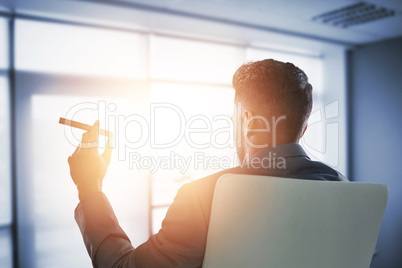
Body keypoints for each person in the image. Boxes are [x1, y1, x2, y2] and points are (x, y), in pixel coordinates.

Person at [67, 59, 347, 268]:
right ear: (305, 128)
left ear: (248, 122)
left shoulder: (204, 198)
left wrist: (89, 187)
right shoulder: (342, 188)